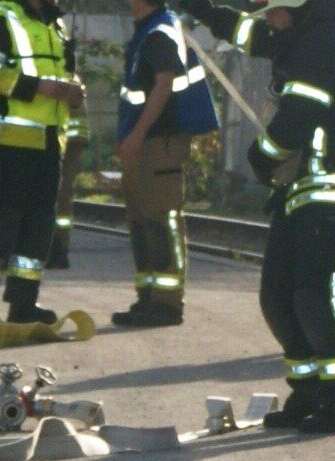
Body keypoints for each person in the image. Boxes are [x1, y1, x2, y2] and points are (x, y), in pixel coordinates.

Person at [212, 0, 335, 434]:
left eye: (273, 10)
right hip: (305, 183)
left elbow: (300, 114)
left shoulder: (327, 39)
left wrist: (261, 155)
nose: (268, 19)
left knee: (316, 293)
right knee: (279, 295)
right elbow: (247, 33)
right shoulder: (302, 32)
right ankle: (309, 391)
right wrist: (195, 7)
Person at [0, 0, 81, 323]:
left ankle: (23, 303)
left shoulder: (55, 24)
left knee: (39, 227)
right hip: (8, 142)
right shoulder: (2, 17)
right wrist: (39, 87)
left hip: (49, 142)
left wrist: (72, 91)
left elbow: (61, 75)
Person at [108, 0, 216, 329]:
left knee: (161, 222)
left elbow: (164, 82)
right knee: (142, 222)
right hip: (147, 143)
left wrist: (137, 133)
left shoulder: (159, 32)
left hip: (159, 142)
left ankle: (167, 304)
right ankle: (148, 299)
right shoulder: (150, 29)